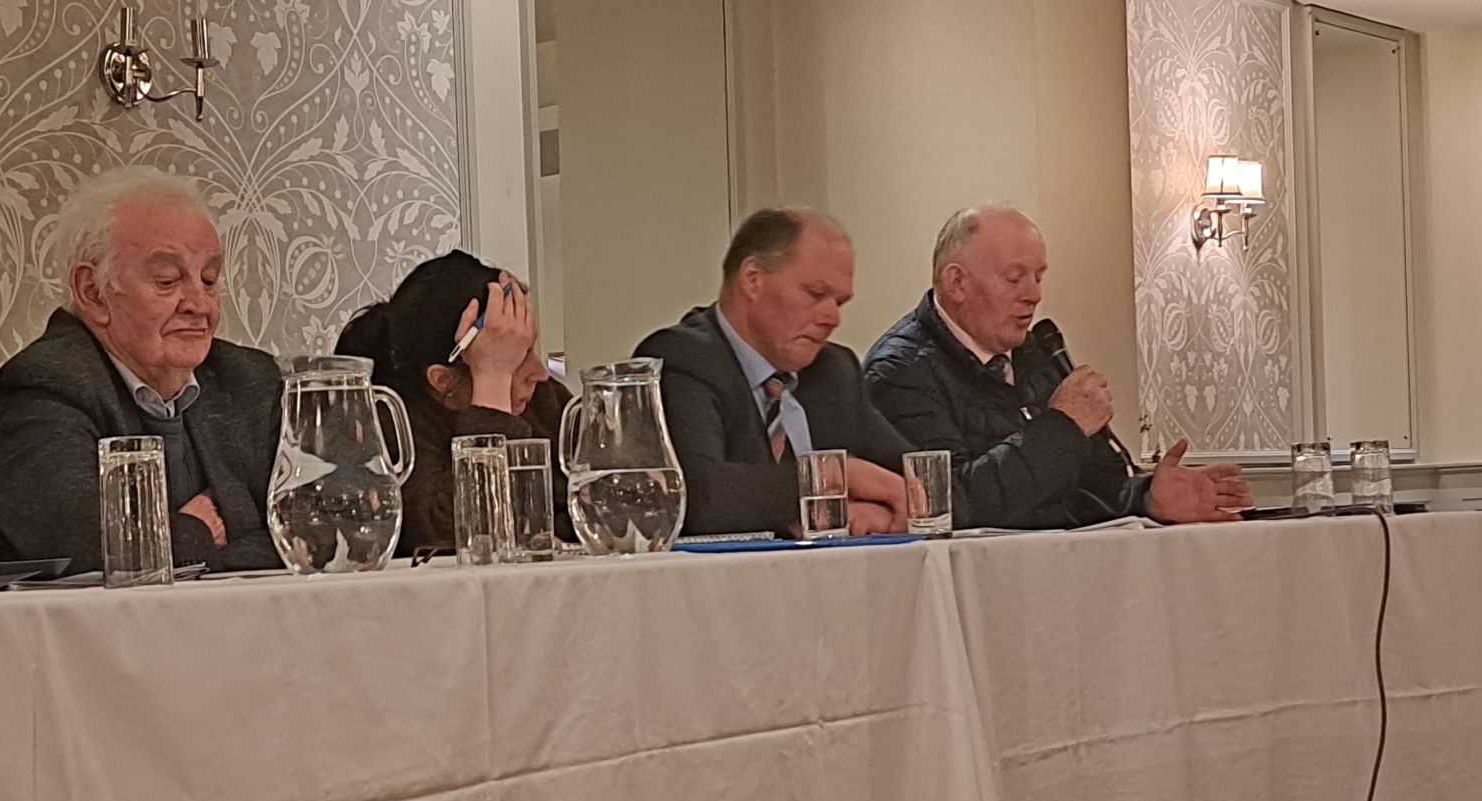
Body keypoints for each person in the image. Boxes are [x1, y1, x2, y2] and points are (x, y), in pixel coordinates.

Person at [0, 167, 283, 573]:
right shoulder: (43, 384)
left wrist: (185, 544)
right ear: (93, 293)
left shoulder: (250, 380)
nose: (199, 305)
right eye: (167, 281)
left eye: (209, 280)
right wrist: (199, 533)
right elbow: (93, 548)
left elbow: (313, 531)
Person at [863, 205, 1249, 528]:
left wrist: (1147, 497)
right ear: (957, 283)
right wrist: (1063, 426)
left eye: (1038, 277)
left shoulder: (1035, 353)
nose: (1033, 295)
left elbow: (1095, 484)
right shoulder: (898, 371)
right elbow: (953, 506)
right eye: (1014, 278)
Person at [633, 208, 913, 538]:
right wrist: (834, 477)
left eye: (839, 302)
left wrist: (886, 510)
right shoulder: (682, 358)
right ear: (752, 279)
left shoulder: (834, 371)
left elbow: (932, 485)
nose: (832, 319)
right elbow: (698, 498)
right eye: (816, 294)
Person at [335, 250, 572, 555]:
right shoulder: (386, 426)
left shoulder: (541, 399)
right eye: (514, 358)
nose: (540, 374)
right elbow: (460, 538)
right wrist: (492, 384)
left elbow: (596, 510)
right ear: (442, 380)